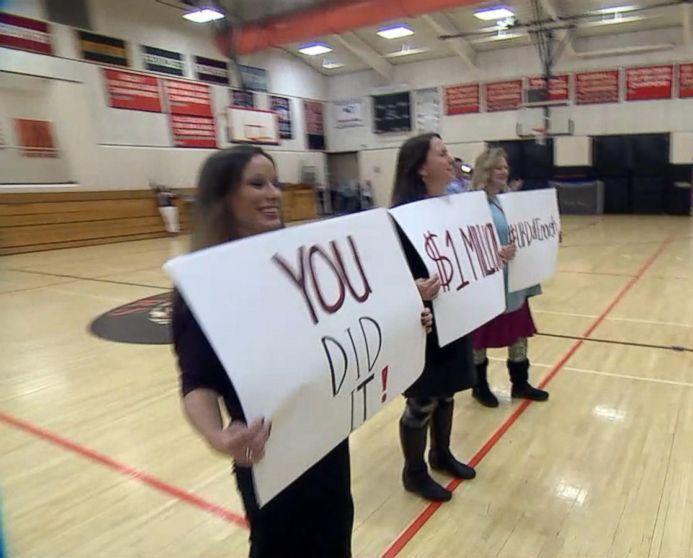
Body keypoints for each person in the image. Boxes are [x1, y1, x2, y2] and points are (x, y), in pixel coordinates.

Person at [173, 146, 375, 557]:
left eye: (275, 182)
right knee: (279, 546)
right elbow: (197, 382)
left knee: (336, 535)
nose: (274, 193)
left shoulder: (299, 259)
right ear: (223, 196)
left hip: (327, 439)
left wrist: (406, 322)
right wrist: (217, 434)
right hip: (266, 449)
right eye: (257, 184)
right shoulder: (203, 284)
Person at [391, 133, 477, 502]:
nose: (450, 159)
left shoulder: (453, 209)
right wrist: (413, 289)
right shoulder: (398, 219)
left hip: (454, 315)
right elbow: (386, 277)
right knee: (422, 401)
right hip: (422, 322)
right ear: (421, 167)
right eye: (441, 153)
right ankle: (414, 472)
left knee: (447, 393)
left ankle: (441, 454)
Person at [468, 148, 549, 408]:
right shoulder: (473, 203)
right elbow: (467, 243)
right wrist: (495, 253)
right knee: (479, 339)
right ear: (486, 171)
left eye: (505, 167)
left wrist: (547, 236)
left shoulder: (508, 200)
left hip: (514, 281)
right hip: (488, 283)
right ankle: (479, 386)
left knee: (518, 336)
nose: (504, 171)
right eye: (498, 167)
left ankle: (520, 384)